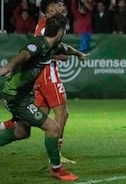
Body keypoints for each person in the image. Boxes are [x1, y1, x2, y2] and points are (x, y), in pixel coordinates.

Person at [0, 14, 82, 181]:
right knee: (52, 129)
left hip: (24, 95)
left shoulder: (55, 46)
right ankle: (56, 169)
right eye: (64, 30)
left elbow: (67, 50)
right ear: (60, 32)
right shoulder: (38, 44)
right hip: (15, 97)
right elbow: (23, 55)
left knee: (22, 132)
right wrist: (9, 65)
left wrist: (79, 54)